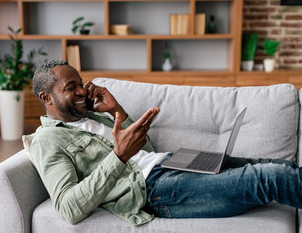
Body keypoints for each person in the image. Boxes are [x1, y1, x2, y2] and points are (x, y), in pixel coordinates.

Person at [29, 60, 302, 226]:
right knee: (269, 178)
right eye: (70, 88)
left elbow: (143, 149)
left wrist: (116, 111)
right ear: (47, 98)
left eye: (80, 83)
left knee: (274, 165)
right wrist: (118, 157)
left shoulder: (92, 115)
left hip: (170, 161)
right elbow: (68, 208)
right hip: (156, 189)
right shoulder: (48, 140)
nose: (80, 92)